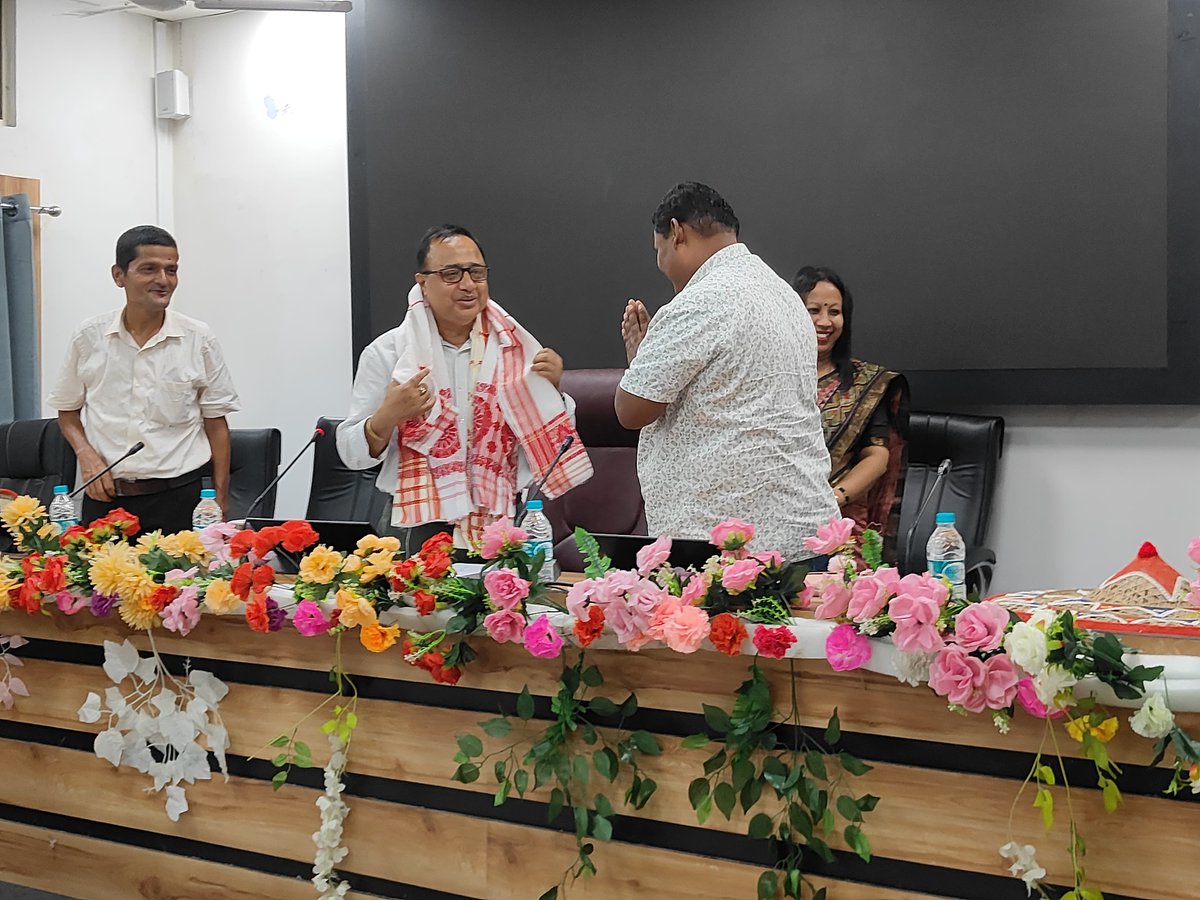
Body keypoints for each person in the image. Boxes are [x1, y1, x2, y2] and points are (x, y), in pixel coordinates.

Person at [616, 182, 838, 562]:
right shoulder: (783, 294)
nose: (662, 266)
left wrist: (640, 362)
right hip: (804, 532)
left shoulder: (699, 301)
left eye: (660, 251)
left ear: (677, 232)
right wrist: (651, 361)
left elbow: (630, 411)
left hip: (725, 548)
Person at [336, 224, 592, 549]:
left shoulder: (517, 350)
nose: (468, 285)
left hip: (499, 521)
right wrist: (386, 417)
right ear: (423, 284)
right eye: (452, 274)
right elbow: (350, 454)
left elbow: (557, 445)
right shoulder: (389, 354)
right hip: (416, 525)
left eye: (476, 273)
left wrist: (552, 392)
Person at [48, 225, 240, 534]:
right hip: (106, 497)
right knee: (99, 583)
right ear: (118, 275)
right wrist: (87, 457)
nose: (163, 280)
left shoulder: (198, 338)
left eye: (171, 270)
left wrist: (219, 500)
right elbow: (67, 410)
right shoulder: (89, 336)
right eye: (149, 269)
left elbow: (216, 423)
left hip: (180, 499)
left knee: (180, 583)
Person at [793, 265, 909, 564]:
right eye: (813, 310)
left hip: (841, 526)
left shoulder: (863, 383)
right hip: (778, 519)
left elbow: (877, 457)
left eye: (834, 312)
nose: (825, 321)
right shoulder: (774, 378)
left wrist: (832, 500)